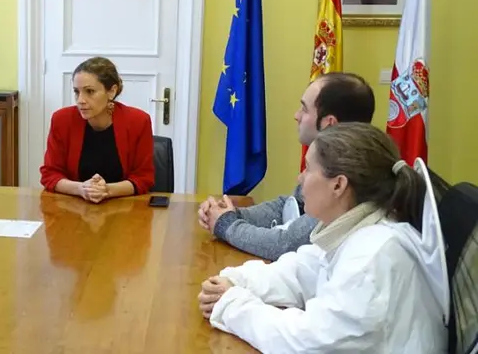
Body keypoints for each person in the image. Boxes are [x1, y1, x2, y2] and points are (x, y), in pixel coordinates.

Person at [198, 123, 448, 352]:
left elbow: (306, 343)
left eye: (307, 169)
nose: (300, 178)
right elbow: (302, 269)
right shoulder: (361, 227)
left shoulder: (372, 256)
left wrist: (232, 304)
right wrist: (235, 280)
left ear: (338, 185)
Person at [198, 72, 375, 261]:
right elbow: (289, 205)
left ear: (329, 123)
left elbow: (287, 244)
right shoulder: (334, 158)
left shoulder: (347, 174)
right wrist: (233, 213)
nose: (296, 115)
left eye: (304, 109)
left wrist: (226, 224)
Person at [40, 57, 154, 202]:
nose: (81, 100)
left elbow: (144, 178)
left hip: (124, 207)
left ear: (112, 91)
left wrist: (107, 190)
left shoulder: (138, 121)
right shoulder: (62, 120)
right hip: (75, 207)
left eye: (90, 91)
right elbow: (50, 174)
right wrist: (81, 189)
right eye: (77, 92)